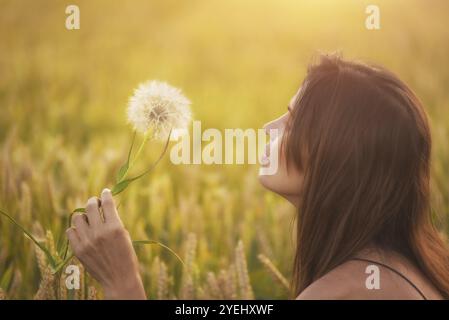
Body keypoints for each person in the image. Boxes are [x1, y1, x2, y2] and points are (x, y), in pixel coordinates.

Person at [67, 53, 449, 299]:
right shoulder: (411, 267)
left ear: (339, 155)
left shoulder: (342, 293)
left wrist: (123, 283)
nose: (268, 127)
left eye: (294, 120)